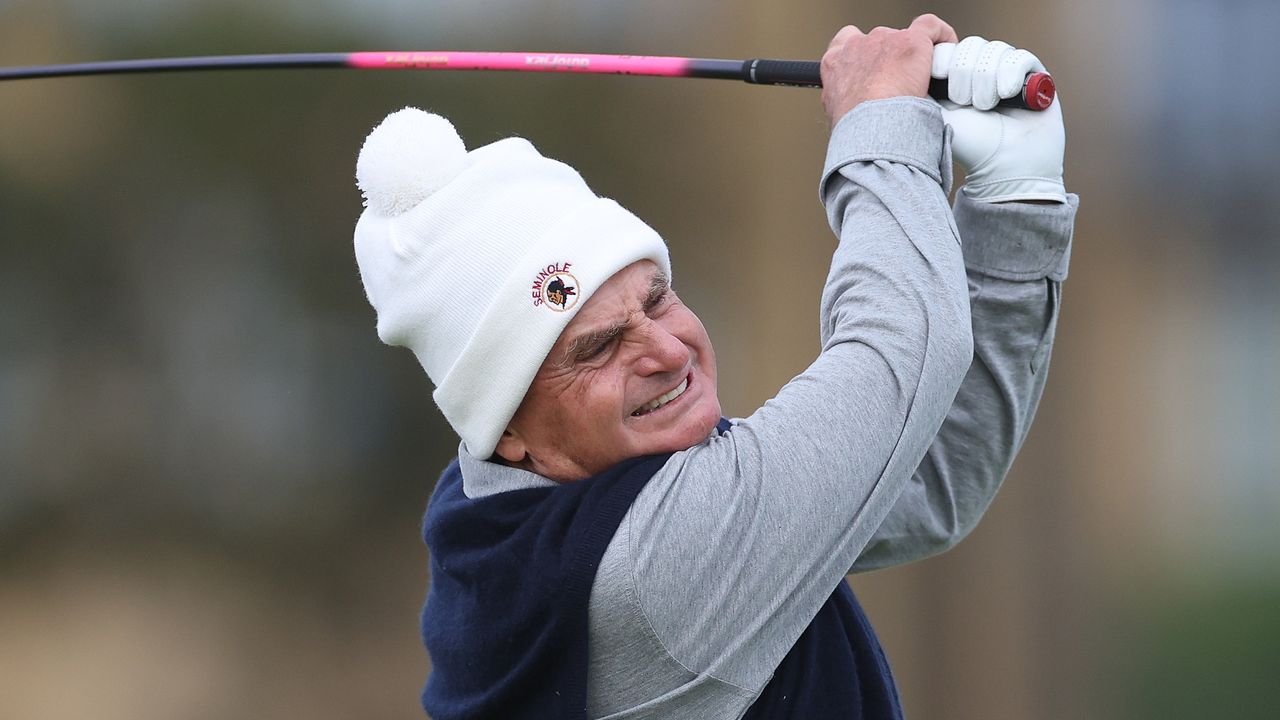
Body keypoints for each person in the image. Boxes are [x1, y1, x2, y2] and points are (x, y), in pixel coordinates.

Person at [352, 14, 1077, 720]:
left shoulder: (510, 516)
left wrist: (1015, 198)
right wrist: (880, 126)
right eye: (598, 348)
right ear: (508, 431)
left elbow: (924, 476)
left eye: (659, 299)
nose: (667, 350)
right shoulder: (650, 567)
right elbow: (901, 351)